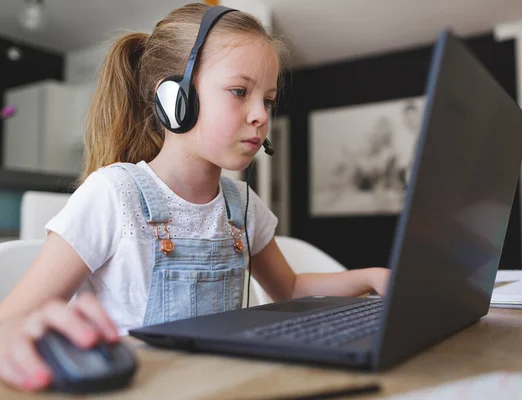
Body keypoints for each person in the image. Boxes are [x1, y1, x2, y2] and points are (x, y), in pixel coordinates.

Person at [0, 3, 390, 392]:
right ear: (174, 98)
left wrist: (372, 276)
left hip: (227, 387)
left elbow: (288, 289)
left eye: (268, 100)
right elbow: (10, 322)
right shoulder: (115, 194)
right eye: (239, 91)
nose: (260, 115)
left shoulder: (242, 204)